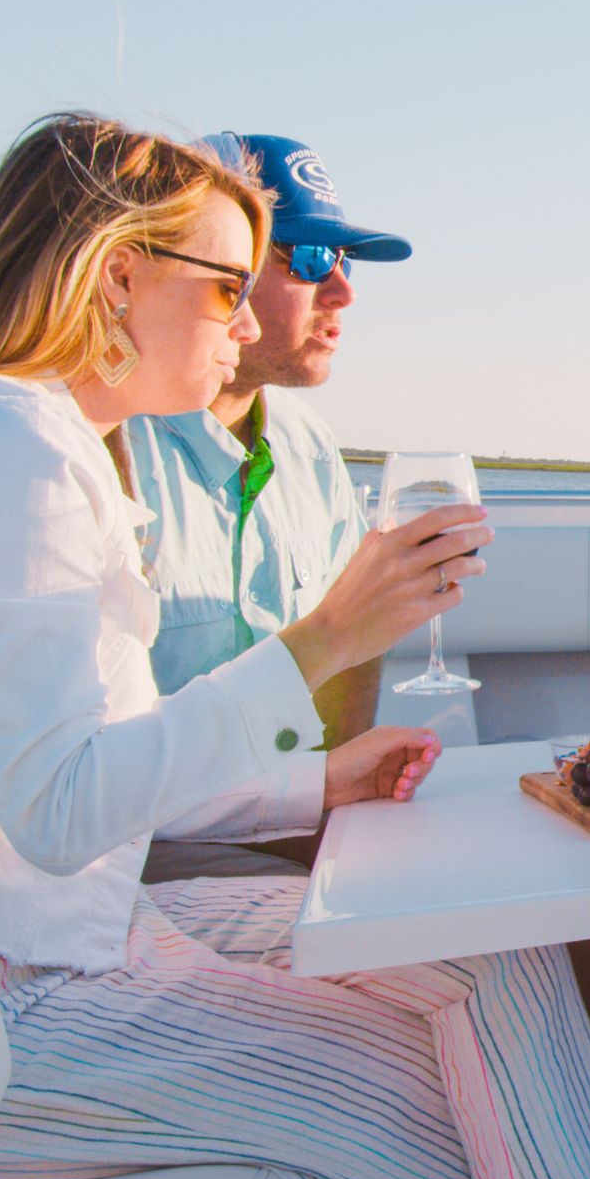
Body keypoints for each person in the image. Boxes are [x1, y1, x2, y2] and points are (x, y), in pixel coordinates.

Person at [0, 115, 590, 1179]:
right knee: (399, 1088)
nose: (241, 319)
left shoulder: (21, 439)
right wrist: (322, 641)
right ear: (119, 276)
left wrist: (309, 781)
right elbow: (66, 809)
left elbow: (63, 781)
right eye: (227, 287)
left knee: (494, 958)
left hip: (40, 943)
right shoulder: (6, 448)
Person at [127, 133, 410, 882]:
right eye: (312, 259)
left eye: (345, 263)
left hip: (289, 830)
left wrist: (331, 814)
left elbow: (357, 640)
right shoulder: (105, 443)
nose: (344, 291)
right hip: (142, 862)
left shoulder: (308, 447)